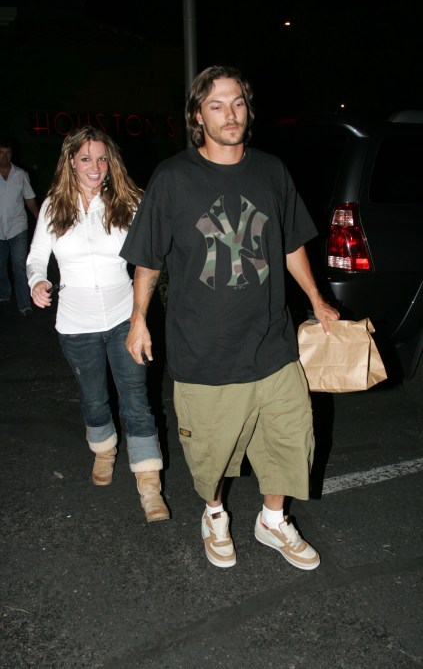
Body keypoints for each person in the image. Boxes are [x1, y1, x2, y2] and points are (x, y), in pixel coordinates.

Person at [120, 65, 340, 567]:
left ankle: (272, 520)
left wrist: (316, 298)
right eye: (216, 106)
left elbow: (290, 244)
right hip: (205, 350)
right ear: (198, 116)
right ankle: (214, 514)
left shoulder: (271, 171)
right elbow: (148, 259)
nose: (230, 114)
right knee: (212, 453)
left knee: (290, 437)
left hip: (272, 342)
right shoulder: (173, 177)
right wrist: (138, 319)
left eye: (237, 103)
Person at [26, 126, 169, 522]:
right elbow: (36, 256)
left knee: (136, 400)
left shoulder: (128, 201)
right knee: (93, 398)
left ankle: (149, 483)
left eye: (102, 158)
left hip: (126, 319)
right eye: (86, 158)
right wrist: (37, 280)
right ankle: (104, 450)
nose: (95, 166)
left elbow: (153, 253)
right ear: (71, 161)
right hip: (75, 324)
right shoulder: (55, 205)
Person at [0, 137, 39, 315]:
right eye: (1, 153)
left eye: (7, 153)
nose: (4, 156)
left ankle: (25, 304)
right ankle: (4, 294)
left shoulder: (21, 174)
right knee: (1, 266)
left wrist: (40, 219)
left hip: (18, 227)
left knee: (20, 265)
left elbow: (29, 199)